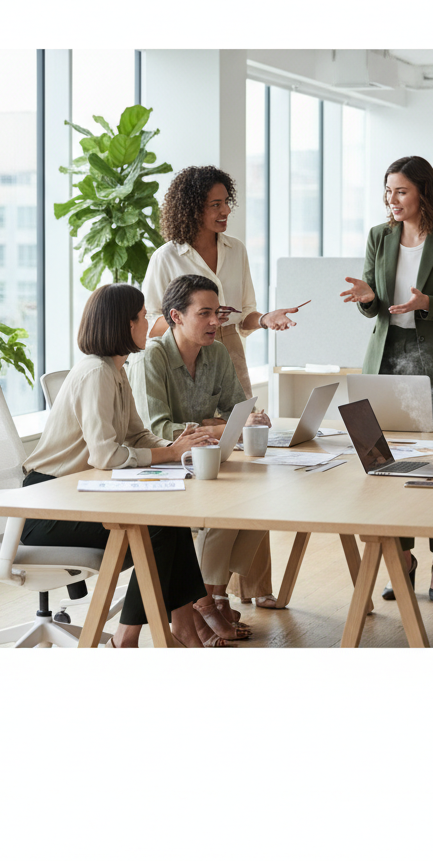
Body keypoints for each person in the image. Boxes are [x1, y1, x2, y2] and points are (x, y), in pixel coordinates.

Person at [20, 283, 234, 647]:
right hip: (48, 507)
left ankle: (181, 626)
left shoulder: (116, 370)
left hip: (79, 494)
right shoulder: (96, 374)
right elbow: (105, 456)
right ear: (124, 324)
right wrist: (168, 454)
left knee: (170, 522)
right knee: (155, 531)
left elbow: (137, 436)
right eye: (142, 317)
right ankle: (126, 637)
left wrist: (177, 447)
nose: (149, 323)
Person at [142, 164, 306, 610]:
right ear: (192, 207)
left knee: (246, 450)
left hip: (225, 344)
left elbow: (247, 313)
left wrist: (264, 319)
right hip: (183, 344)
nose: (224, 211)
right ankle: (211, 594)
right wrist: (195, 319)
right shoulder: (166, 257)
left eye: (226, 202)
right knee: (220, 449)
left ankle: (254, 586)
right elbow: (154, 321)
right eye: (214, 204)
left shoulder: (235, 250)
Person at [339, 155, 433, 604]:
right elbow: (373, 303)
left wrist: (427, 303)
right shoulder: (379, 237)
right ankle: (401, 557)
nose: (392, 200)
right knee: (381, 460)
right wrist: (367, 298)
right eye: (387, 191)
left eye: (401, 191)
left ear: (422, 191)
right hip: (386, 356)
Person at [129, 273, 273, 635]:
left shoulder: (218, 352)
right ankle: (203, 602)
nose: (215, 322)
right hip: (161, 468)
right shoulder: (153, 358)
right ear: (176, 316)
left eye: (217, 312)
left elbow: (236, 412)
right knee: (224, 504)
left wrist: (229, 423)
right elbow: (157, 431)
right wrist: (216, 426)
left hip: (204, 462)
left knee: (258, 497)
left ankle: (215, 594)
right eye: (204, 314)